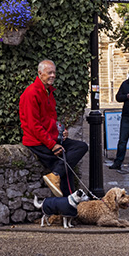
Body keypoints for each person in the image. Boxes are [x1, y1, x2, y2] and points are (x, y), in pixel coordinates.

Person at [19, 59, 88, 196]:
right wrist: (52, 145)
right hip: (38, 142)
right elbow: (34, 125)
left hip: (49, 138)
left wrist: (61, 131)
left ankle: (56, 176)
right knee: (65, 165)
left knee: (79, 148)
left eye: (54, 73)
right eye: (49, 73)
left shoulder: (48, 91)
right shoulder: (32, 93)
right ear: (40, 73)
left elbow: (50, 119)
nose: (53, 76)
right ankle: (60, 185)